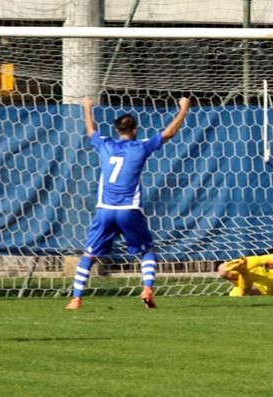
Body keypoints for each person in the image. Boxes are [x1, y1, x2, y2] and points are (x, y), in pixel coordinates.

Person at [66, 97, 191, 310]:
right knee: (147, 250)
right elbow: (168, 133)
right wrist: (183, 111)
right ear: (135, 130)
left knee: (89, 254)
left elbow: (90, 131)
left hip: (105, 210)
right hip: (129, 210)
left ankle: (76, 299)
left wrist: (87, 108)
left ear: (117, 130)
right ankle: (148, 289)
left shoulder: (104, 144)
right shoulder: (140, 147)